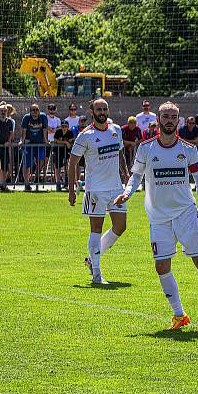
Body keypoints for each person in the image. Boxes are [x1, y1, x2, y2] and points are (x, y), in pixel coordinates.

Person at [114, 102, 198, 330]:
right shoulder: (145, 149)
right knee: (162, 266)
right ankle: (179, 315)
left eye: (173, 117)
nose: (169, 120)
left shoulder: (189, 149)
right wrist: (126, 193)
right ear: (158, 118)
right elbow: (135, 176)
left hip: (186, 215)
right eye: (165, 116)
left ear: (178, 120)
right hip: (158, 218)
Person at [67, 99, 129, 285]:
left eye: (104, 109)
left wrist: (125, 174)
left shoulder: (115, 130)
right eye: (98, 109)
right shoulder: (85, 135)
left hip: (116, 189)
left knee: (120, 226)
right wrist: (72, 190)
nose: (102, 112)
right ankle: (96, 274)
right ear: (92, 112)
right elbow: (72, 163)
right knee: (96, 229)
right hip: (95, 190)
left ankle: (91, 259)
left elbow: (120, 154)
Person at [20, 104, 48, 191]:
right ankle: (26, 183)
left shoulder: (43, 117)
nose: (35, 112)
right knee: (26, 164)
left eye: (37, 110)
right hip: (29, 144)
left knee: (42, 160)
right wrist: (22, 140)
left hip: (39, 143)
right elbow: (23, 130)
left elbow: (44, 129)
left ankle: (36, 177)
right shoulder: (26, 118)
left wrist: (45, 140)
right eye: (33, 110)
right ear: (30, 111)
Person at [52, 120, 75, 191]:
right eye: (62, 126)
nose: (64, 128)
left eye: (65, 126)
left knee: (68, 166)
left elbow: (72, 139)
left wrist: (69, 142)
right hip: (58, 151)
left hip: (67, 151)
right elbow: (55, 140)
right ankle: (58, 183)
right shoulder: (58, 132)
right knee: (57, 167)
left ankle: (67, 182)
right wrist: (65, 142)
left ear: (68, 127)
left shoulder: (70, 132)